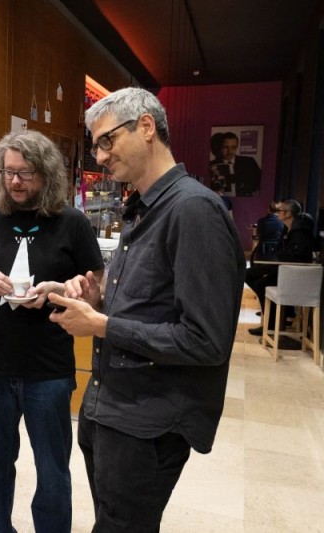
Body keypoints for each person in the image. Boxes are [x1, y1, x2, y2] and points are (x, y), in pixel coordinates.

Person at [49, 87, 244, 531]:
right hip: (111, 409)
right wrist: (98, 301)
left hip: (148, 423)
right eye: (95, 144)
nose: (99, 156)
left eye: (106, 140)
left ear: (146, 127)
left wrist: (102, 325)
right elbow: (150, 306)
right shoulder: (143, 207)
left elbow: (206, 340)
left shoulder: (193, 210)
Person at [0, 130, 104, 532]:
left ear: (47, 173)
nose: (15, 182)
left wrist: (60, 290)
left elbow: (98, 292)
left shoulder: (71, 223)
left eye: (25, 173)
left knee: (53, 471)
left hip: (49, 370)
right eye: (8, 173)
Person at [245, 198, 315, 335]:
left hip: (293, 275)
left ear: (288, 214)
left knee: (260, 284)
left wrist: (276, 259)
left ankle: (273, 323)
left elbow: (295, 256)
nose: (277, 213)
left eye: (280, 210)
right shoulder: (288, 228)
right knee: (249, 275)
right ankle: (279, 314)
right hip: (284, 269)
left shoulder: (299, 232)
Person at [210, 131, 261, 196]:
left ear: (237, 147)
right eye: (226, 147)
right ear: (220, 147)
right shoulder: (211, 165)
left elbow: (260, 183)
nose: (230, 151)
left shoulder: (249, 162)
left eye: (233, 147)